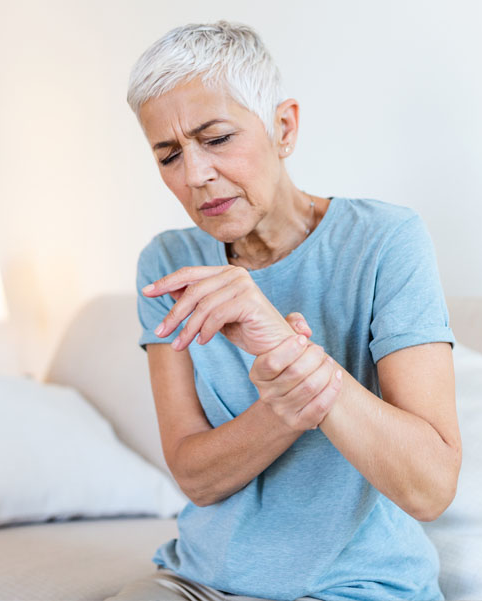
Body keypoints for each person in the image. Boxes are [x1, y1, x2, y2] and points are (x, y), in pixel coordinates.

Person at [111, 20, 461, 601]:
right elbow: (197, 477)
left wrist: (286, 349)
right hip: (196, 582)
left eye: (217, 138)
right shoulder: (167, 263)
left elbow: (429, 486)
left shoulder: (385, 241)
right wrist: (284, 403)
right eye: (169, 155)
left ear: (283, 126)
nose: (196, 175)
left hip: (359, 587)